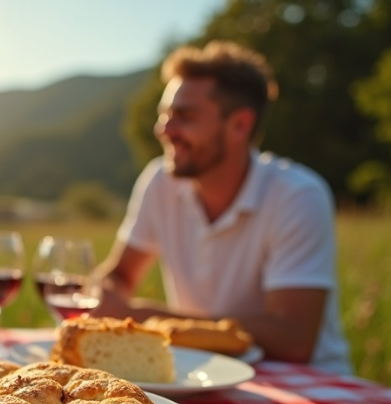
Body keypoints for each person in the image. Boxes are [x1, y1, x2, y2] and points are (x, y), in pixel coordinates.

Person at [90, 41, 351, 374]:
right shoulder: (160, 180)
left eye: (184, 116)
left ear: (239, 125)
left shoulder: (298, 195)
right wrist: (106, 295)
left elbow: (294, 338)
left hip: (308, 388)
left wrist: (143, 318)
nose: (164, 130)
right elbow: (120, 274)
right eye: (164, 115)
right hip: (202, 373)